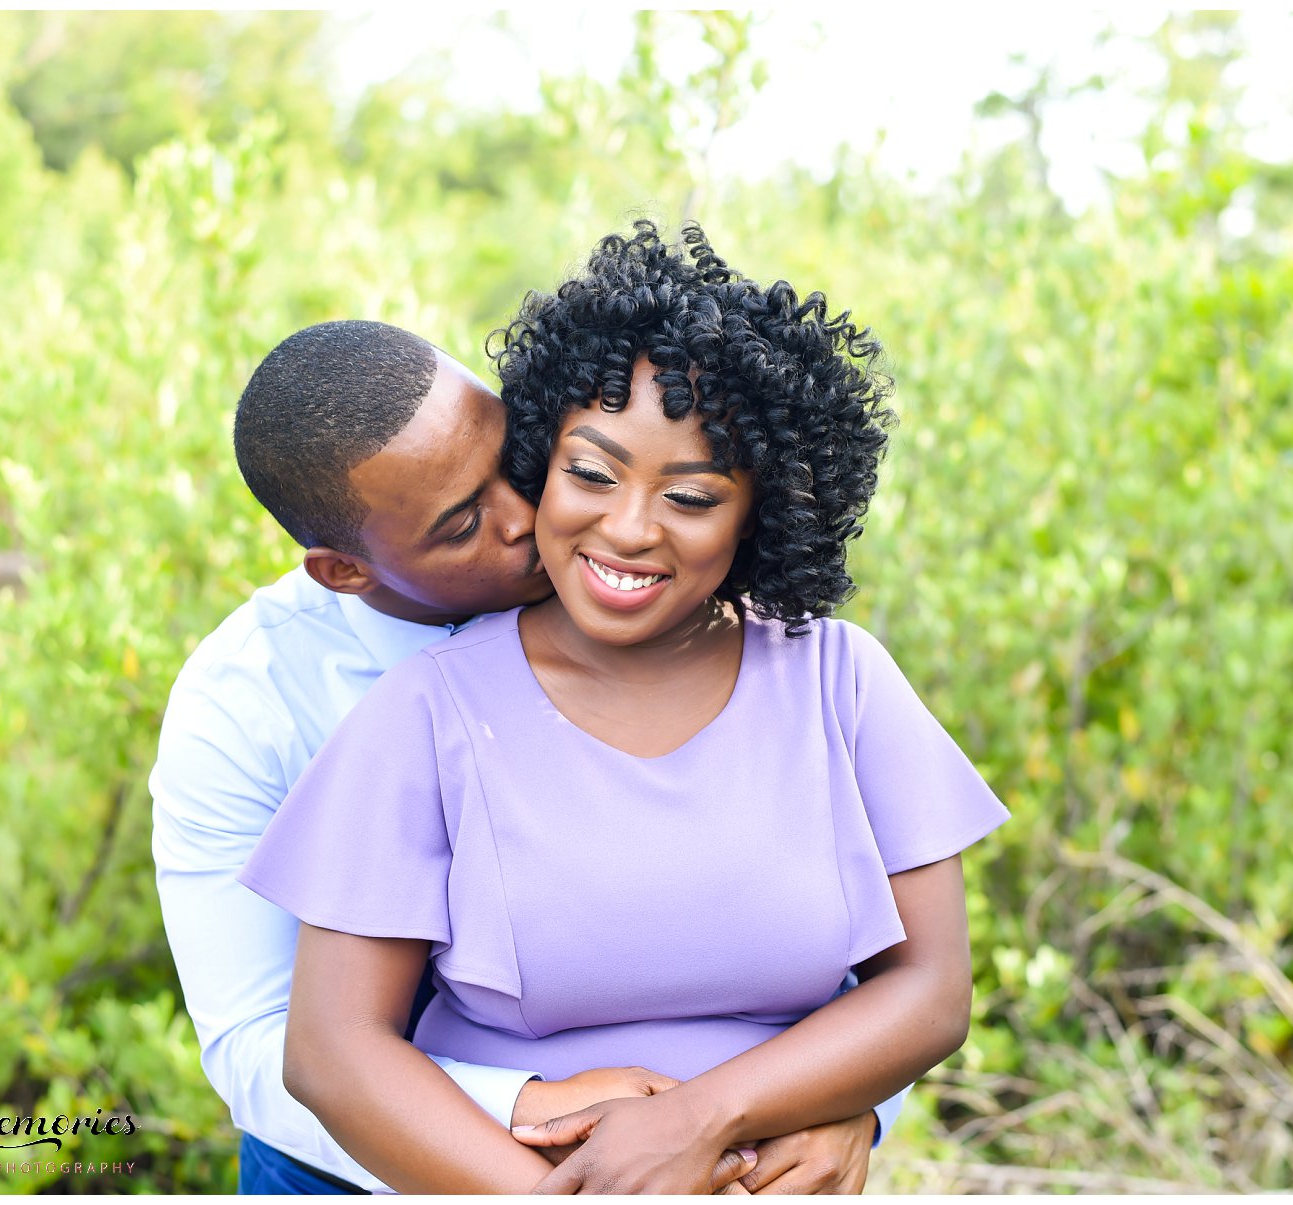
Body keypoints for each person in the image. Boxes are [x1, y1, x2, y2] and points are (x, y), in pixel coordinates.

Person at [239, 221, 1009, 1194]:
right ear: (541, 465)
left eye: (690, 496)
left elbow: (931, 991)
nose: (631, 528)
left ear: (757, 511)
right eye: (592, 474)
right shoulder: (426, 710)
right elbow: (331, 1051)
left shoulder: (839, 681)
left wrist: (698, 1123)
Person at [150, 319, 900, 1193]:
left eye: (518, 464)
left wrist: (852, 1102)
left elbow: (830, 910)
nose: (526, 516)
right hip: (356, 1170)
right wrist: (536, 1109)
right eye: (465, 523)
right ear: (346, 571)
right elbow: (262, 1042)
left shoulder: (648, 586)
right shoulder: (245, 706)